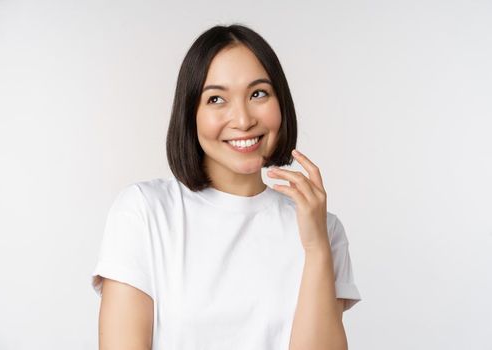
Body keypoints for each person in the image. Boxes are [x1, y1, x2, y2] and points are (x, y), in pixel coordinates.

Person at [91, 23, 361, 349]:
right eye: (217, 99)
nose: (244, 119)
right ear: (191, 112)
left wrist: (316, 248)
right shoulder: (145, 212)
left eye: (258, 93)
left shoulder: (325, 230)